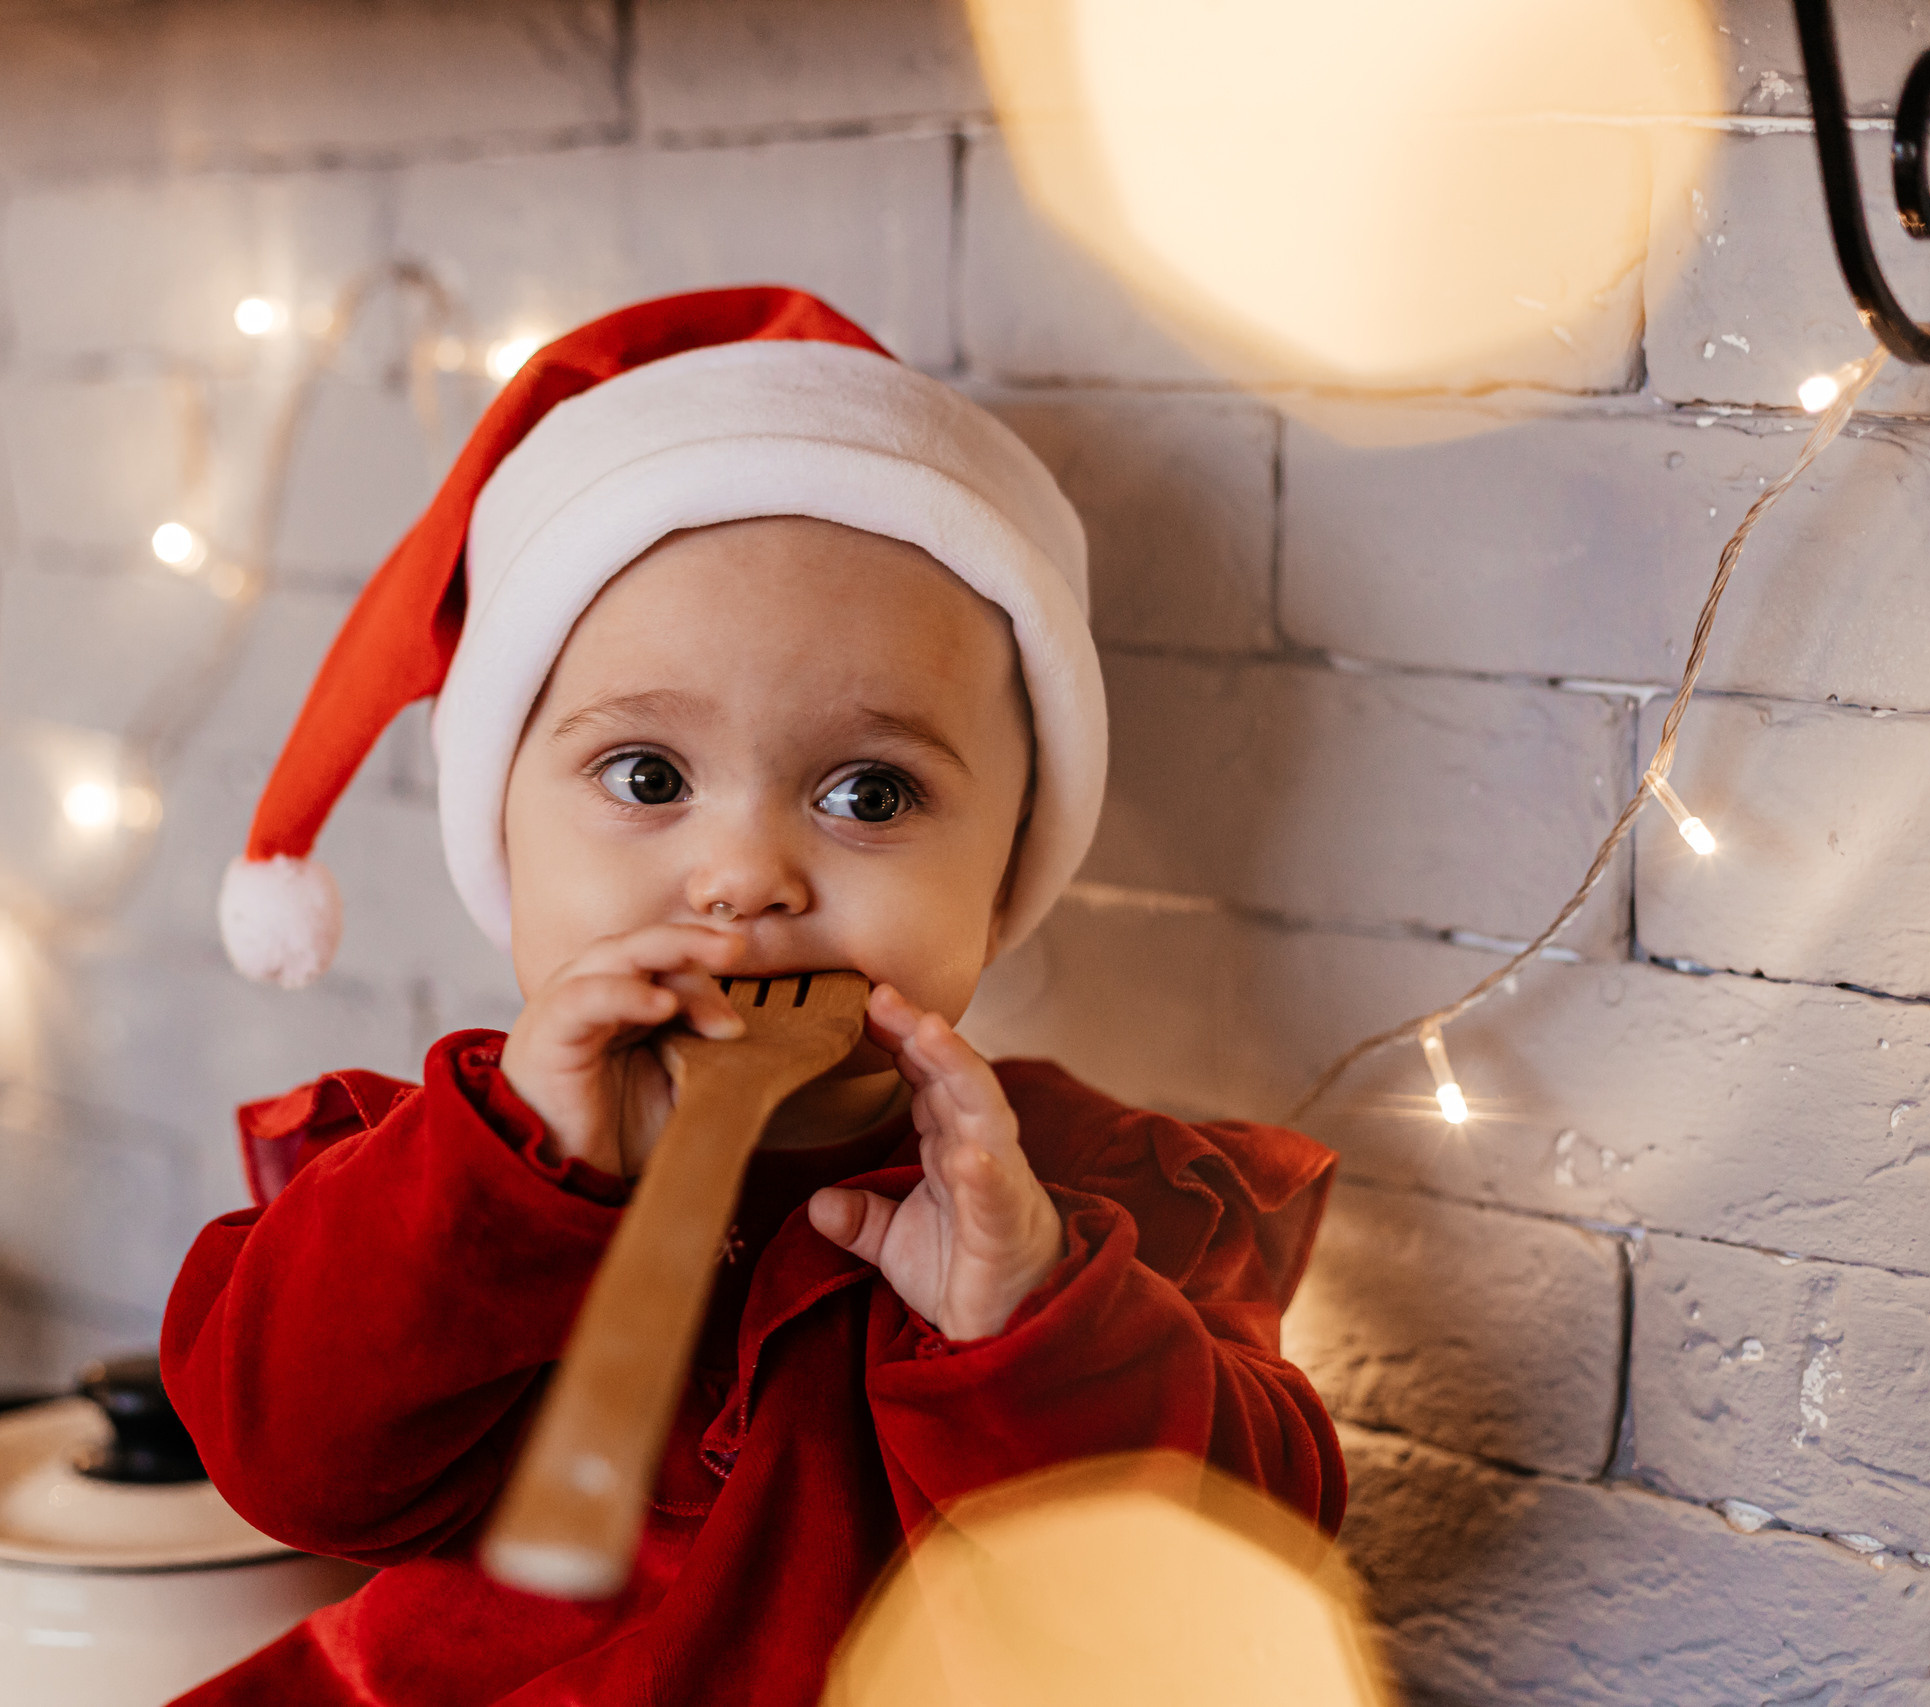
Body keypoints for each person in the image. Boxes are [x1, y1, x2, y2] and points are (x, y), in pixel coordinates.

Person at [160, 287, 1344, 1706]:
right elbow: (290, 1469)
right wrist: (511, 1172)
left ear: (1007, 864)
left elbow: (1237, 1582)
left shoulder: (1087, 1201)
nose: (743, 876)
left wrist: (1034, 1321)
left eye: (867, 793)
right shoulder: (430, 1180)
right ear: (507, 833)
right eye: (649, 778)